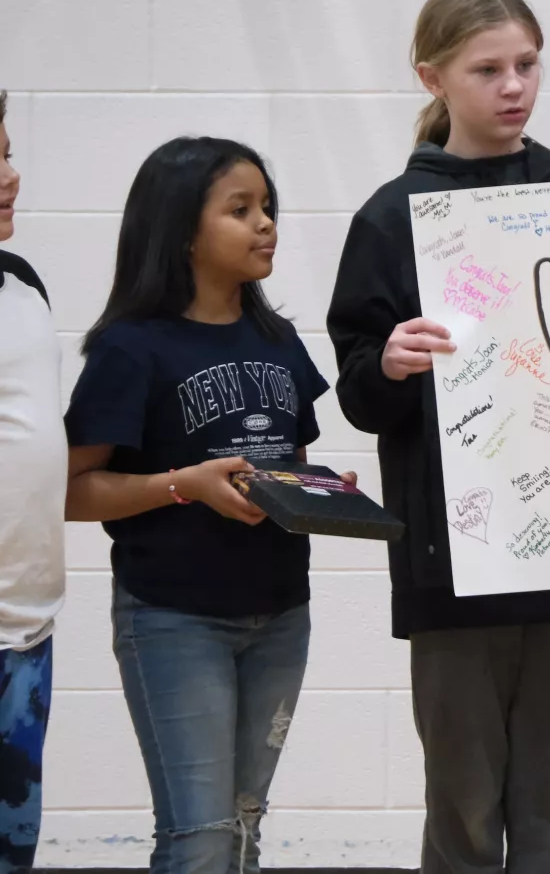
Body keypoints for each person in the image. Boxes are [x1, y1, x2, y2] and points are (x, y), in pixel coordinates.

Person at [327, 0, 550, 874]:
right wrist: (392, 364)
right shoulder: (389, 218)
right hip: (454, 565)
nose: (514, 85)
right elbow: (357, 395)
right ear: (433, 78)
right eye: (488, 68)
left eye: (526, 64)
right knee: (463, 810)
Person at [64, 137, 346, 874]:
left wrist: (326, 496)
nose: (266, 225)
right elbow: (70, 490)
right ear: (184, 230)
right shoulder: (132, 349)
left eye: (268, 208)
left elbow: (296, 465)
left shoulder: (278, 339)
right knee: (202, 835)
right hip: (174, 617)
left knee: (245, 830)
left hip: (282, 612)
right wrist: (183, 483)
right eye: (241, 209)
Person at [0, 89, 67, 873]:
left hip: (28, 630)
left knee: (15, 847)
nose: (11, 175)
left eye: (10, 153)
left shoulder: (23, 284)